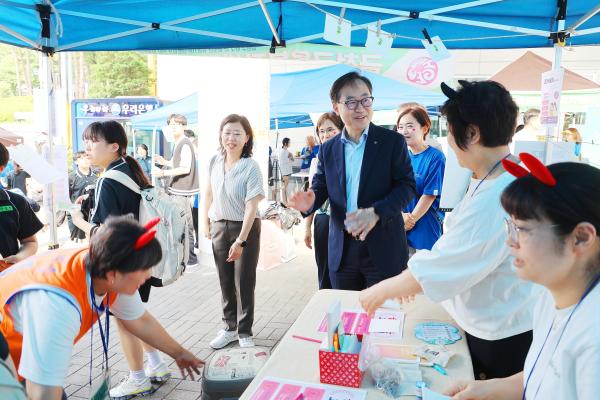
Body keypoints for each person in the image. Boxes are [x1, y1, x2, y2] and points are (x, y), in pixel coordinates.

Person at [359, 80, 538, 380]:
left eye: (450, 130)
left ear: (472, 133)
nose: (450, 141)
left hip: (500, 337)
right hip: (491, 320)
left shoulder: (499, 196)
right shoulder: (498, 173)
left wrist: (382, 291)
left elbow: (449, 260)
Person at [446, 156, 600, 400]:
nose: (511, 241)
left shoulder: (594, 338)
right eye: (511, 227)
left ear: (581, 238)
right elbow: (542, 374)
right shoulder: (549, 300)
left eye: (522, 230)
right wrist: (486, 389)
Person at [0, 216, 204, 400]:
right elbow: (41, 394)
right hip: (7, 366)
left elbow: (139, 321)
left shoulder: (104, 267)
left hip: (24, 359)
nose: (148, 276)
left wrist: (180, 353)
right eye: (144, 268)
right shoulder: (58, 307)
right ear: (112, 274)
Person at [68, 121, 170, 400]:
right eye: (86, 141)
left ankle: (138, 378)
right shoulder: (129, 171)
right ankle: (157, 366)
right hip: (138, 257)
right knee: (136, 315)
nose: (88, 147)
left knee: (127, 320)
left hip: (121, 264)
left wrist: (80, 221)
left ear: (114, 147)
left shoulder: (108, 180)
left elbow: (106, 233)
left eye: (94, 141)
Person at [289, 71, 416, 291]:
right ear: (336, 106)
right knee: (346, 317)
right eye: (351, 101)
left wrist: (375, 212)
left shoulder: (391, 142)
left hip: (383, 246)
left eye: (366, 100)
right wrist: (309, 202)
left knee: (382, 318)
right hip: (342, 250)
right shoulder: (328, 149)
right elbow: (321, 187)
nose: (360, 107)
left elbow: (407, 187)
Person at [202, 114, 264, 349]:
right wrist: (205, 224)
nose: (231, 138)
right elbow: (208, 193)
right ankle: (229, 327)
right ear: (221, 135)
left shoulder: (251, 167)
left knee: (244, 281)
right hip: (219, 225)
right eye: (227, 132)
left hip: (244, 228)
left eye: (238, 133)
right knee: (225, 281)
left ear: (247, 138)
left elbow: (252, 207)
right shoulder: (214, 161)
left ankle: (245, 331)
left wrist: (240, 241)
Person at [396, 106, 446, 253]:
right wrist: (401, 217)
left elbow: (429, 194)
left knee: (423, 269)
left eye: (410, 126)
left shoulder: (436, 157)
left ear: (424, 129)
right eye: (400, 127)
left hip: (425, 222)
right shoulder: (401, 156)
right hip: (403, 221)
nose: (404, 131)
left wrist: (410, 220)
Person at [153, 114, 199, 268]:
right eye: (171, 124)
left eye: (177, 124)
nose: (173, 127)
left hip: (181, 191)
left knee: (184, 224)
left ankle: (191, 259)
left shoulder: (185, 143)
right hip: (179, 191)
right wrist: (164, 162)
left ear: (184, 127)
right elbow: (176, 163)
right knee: (181, 224)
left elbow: (185, 168)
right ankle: (187, 258)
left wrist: (163, 173)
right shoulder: (179, 142)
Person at [304, 112, 343, 289]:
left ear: (342, 130)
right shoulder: (316, 162)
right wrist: (307, 229)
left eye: (331, 130)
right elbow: (313, 196)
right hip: (323, 220)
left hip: (346, 221)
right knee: (325, 270)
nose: (325, 135)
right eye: (321, 131)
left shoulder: (349, 157)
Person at [0, 143, 43, 271]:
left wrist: (19, 258)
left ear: (1, 168)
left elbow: (30, 242)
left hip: (7, 278)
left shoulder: (16, 202)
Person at [67, 151, 98, 241]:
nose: (85, 160)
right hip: (76, 217)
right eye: (82, 158)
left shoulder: (96, 178)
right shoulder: (70, 177)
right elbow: (63, 201)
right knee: (77, 244)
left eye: (87, 157)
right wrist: (72, 210)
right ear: (76, 161)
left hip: (92, 217)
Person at [278, 137, 293, 204]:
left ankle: (285, 202)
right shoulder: (282, 152)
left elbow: (292, 160)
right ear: (285, 143)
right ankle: (284, 202)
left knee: (286, 188)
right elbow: (282, 162)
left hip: (288, 171)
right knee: (284, 188)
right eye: (289, 142)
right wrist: (289, 158)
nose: (290, 144)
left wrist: (291, 157)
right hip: (285, 172)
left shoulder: (287, 151)